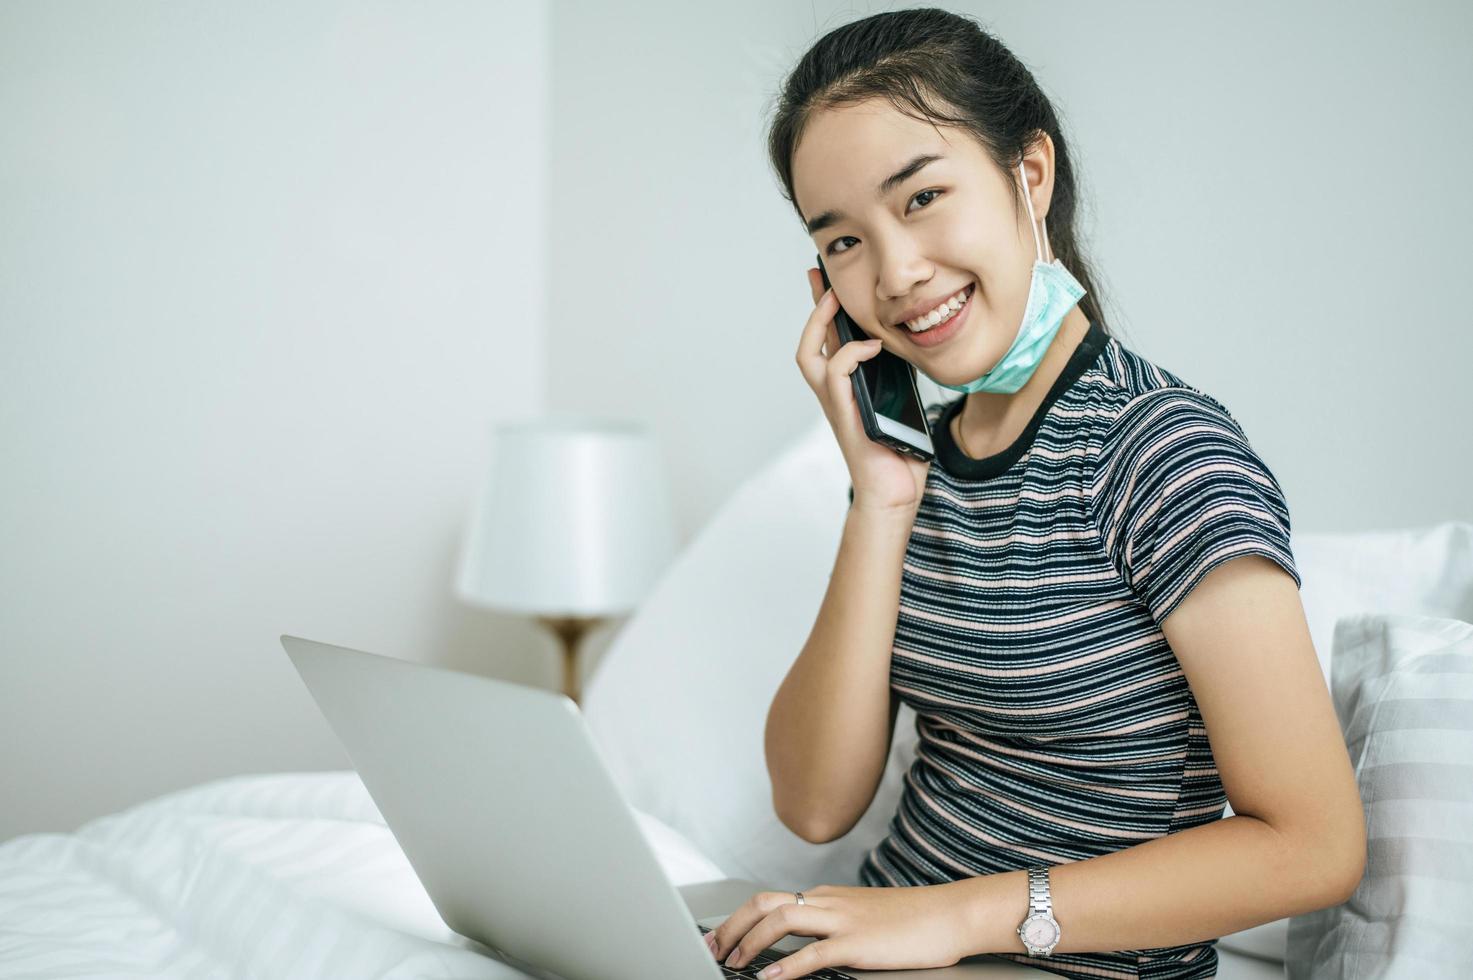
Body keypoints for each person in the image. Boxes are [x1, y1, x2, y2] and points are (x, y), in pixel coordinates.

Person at [703, 9, 1367, 980]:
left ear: (1032, 174)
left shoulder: (1164, 452)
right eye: (842, 241)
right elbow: (811, 801)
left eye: (922, 196)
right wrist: (881, 501)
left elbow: (1313, 842)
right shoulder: (911, 465)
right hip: (885, 948)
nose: (894, 272)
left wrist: (954, 917)